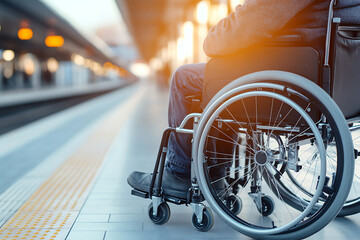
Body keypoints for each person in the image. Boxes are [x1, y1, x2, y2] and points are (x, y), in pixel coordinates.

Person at [128, 0, 360, 199]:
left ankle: (180, 174)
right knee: (224, 77)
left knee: (185, 77)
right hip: (333, 84)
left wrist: (214, 38)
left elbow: (249, 24)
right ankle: (215, 173)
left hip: (291, 77)